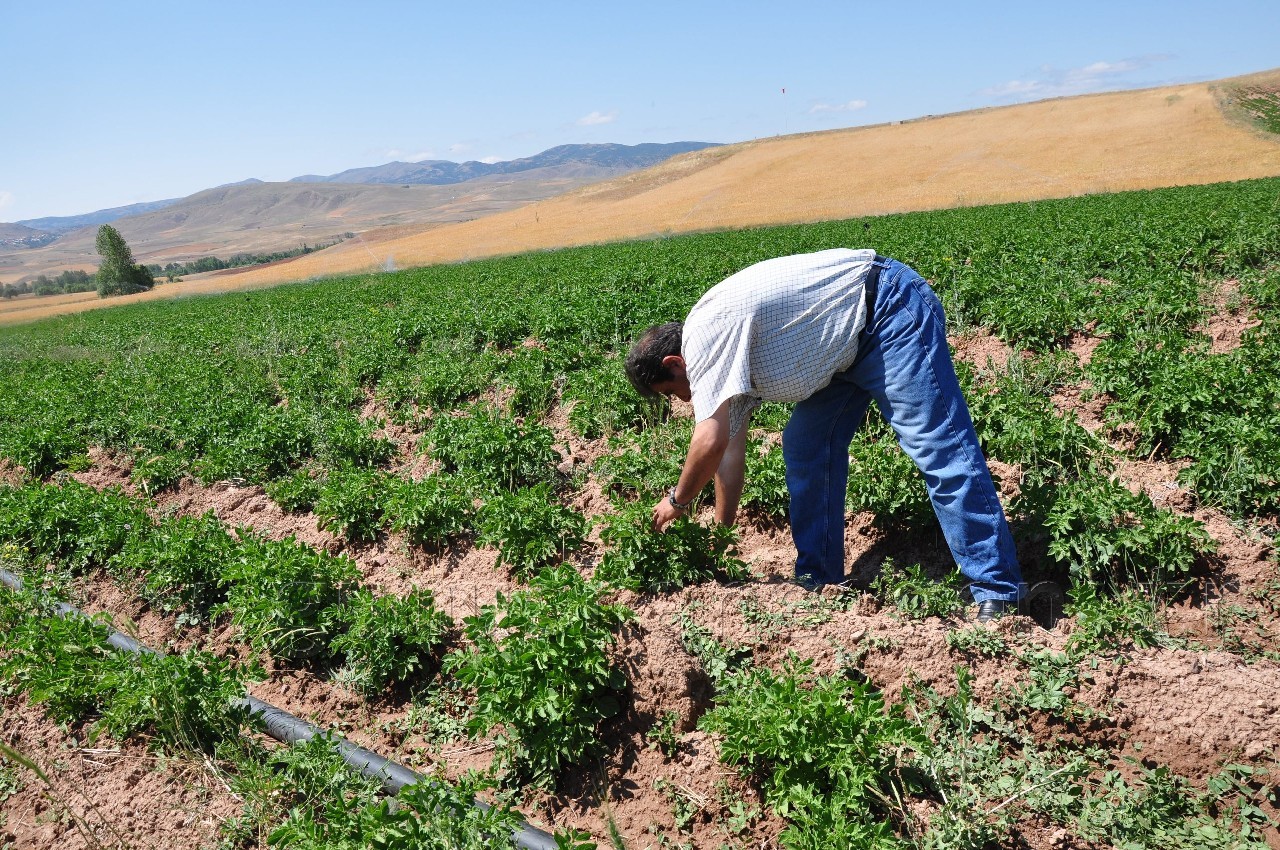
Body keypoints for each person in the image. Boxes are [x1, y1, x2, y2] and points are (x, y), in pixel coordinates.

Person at [623, 248, 1023, 621]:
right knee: (806, 446)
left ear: (675, 363)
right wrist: (720, 537)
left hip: (886, 311)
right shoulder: (722, 360)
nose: (682, 400)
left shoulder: (704, 338)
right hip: (840, 351)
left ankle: (999, 591)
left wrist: (677, 501)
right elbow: (727, 456)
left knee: (937, 448)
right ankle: (820, 580)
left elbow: (709, 442)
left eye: (672, 391)